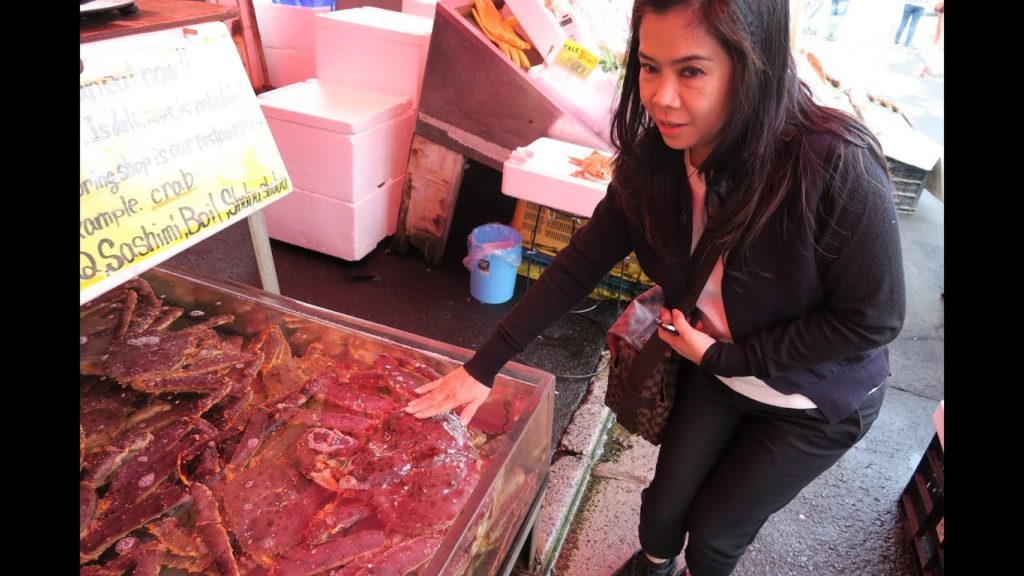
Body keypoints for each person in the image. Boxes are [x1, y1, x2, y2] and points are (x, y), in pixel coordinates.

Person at [406, 0, 906, 575]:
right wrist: (482, 367)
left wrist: (729, 356)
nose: (662, 98)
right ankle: (654, 563)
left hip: (812, 395)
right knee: (662, 511)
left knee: (717, 536)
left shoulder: (833, 164)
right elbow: (578, 264)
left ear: (755, 64)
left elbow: (873, 319)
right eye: (649, 67)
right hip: (718, 371)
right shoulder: (657, 161)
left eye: (691, 71)